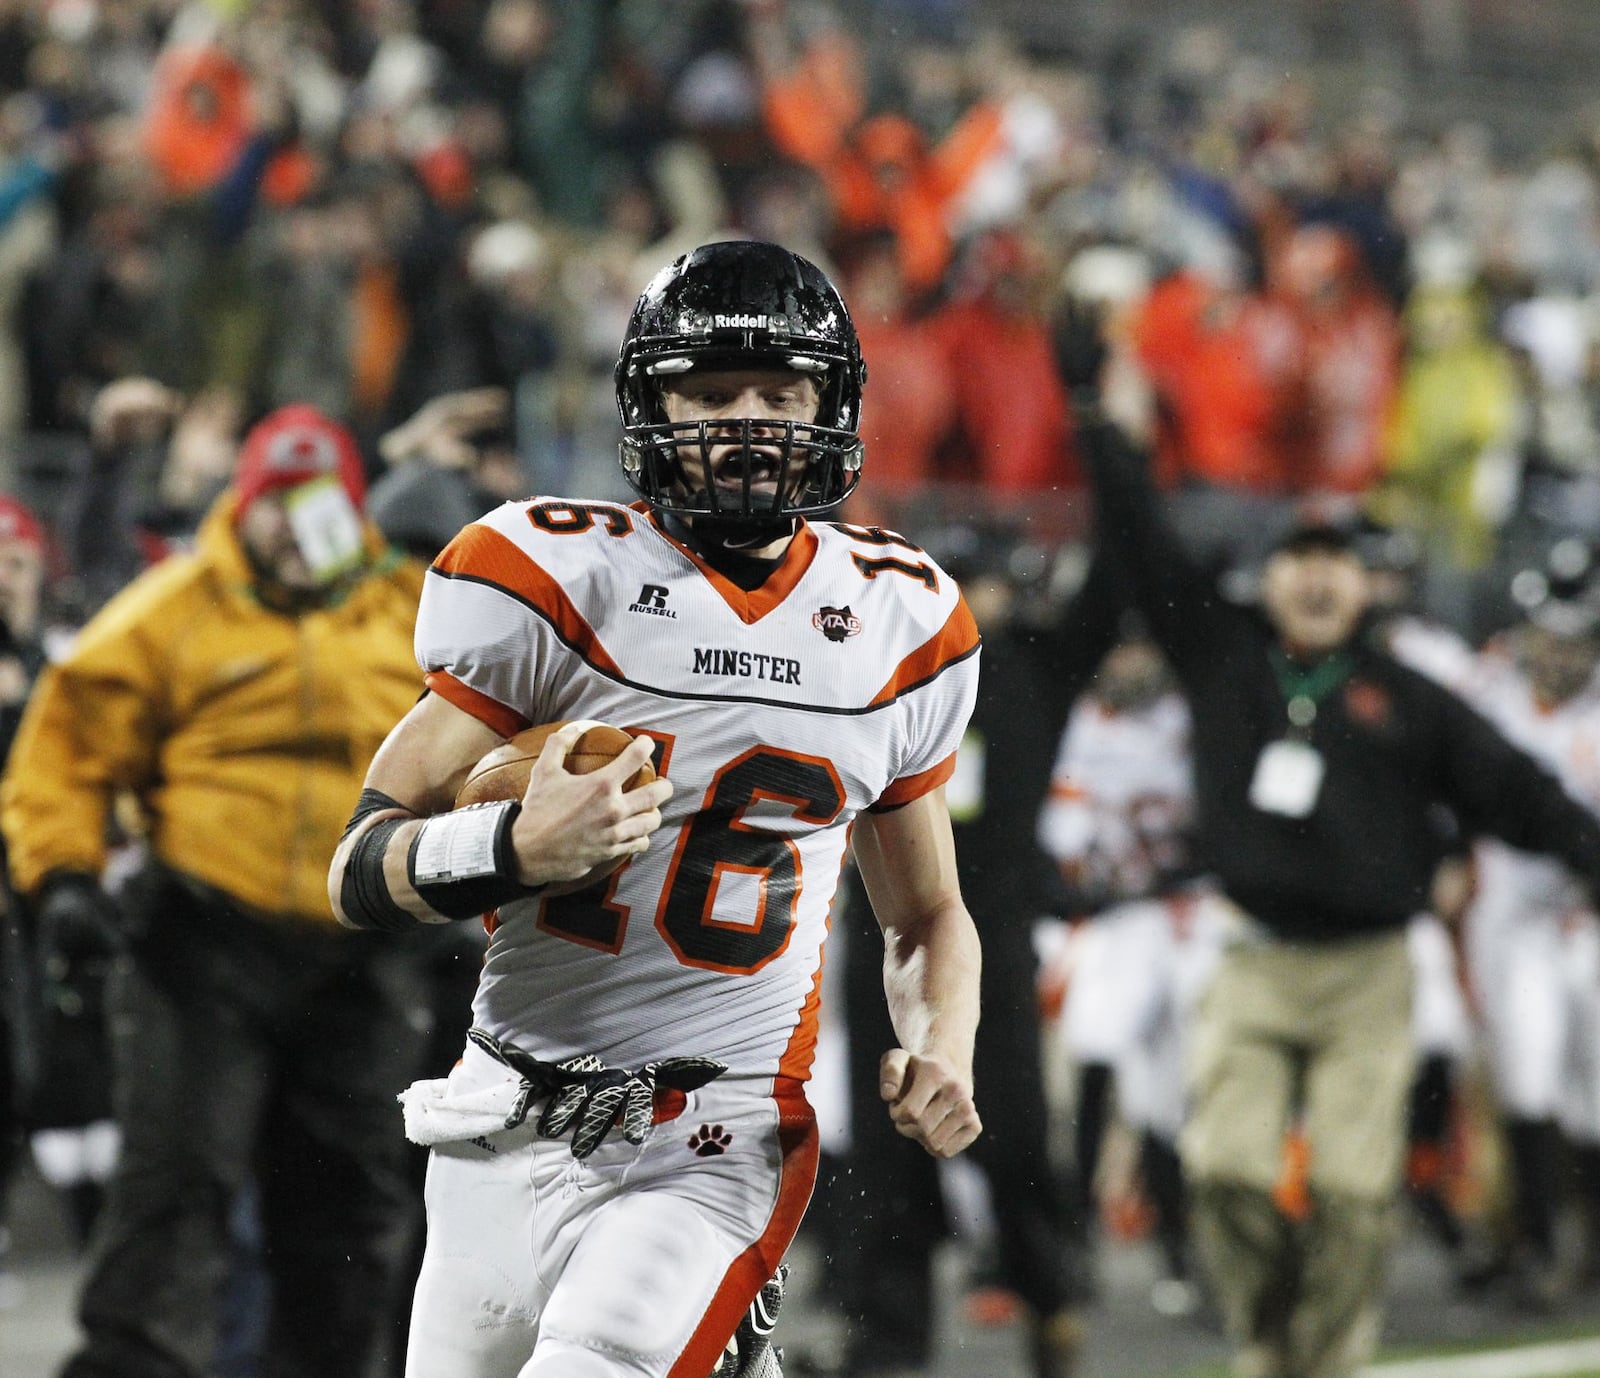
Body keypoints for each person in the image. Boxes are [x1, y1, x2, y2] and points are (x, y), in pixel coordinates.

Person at [328, 240, 985, 1378]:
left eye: (781, 392)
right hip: (500, 1117)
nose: (749, 422)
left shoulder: (897, 617)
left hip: (711, 1131)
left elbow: (925, 912)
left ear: (831, 405)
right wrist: (512, 845)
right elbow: (357, 865)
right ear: (649, 403)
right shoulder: (551, 574)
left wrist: (943, 1043)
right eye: (711, 391)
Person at [1058, 304, 1600, 1378]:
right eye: (1294, 557)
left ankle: (1329, 1358)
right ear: (1264, 577)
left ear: (1364, 581)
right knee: (1221, 1170)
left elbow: (1518, 792)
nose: (1313, 576)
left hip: (1364, 973)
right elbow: (1137, 532)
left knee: (1355, 1192)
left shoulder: (1408, 696)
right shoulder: (1221, 661)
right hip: (1249, 954)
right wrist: (1096, 421)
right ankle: (1270, 1340)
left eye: (1332, 559)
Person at [0, 404, 434, 1378]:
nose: (288, 523)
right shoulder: (176, 604)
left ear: (352, 511)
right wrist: (62, 876)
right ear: (241, 502)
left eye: (311, 501)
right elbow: (62, 745)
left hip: (363, 954)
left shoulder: (414, 609)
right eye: (270, 501)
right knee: (172, 1197)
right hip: (204, 944)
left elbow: (494, 742)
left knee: (347, 1216)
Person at [833, 524, 1117, 1378]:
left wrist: (1107, 433)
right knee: (882, 1148)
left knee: (1014, 1141)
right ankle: (884, 1344)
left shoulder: (1032, 667)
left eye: (976, 585)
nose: (959, 604)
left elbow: (1121, 576)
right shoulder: (876, 669)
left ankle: (1051, 1297)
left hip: (989, 932)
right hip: (879, 930)